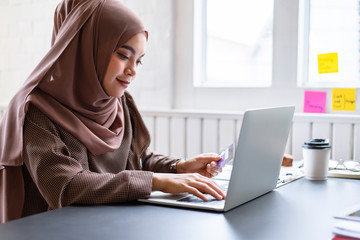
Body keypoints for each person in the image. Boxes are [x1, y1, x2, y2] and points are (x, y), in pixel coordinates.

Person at [0, 0, 226, 223]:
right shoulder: (35, 110)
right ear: (85, 47)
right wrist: (154, 181)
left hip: (111, 224)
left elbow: (136, 157)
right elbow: (66, 186)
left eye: (139, 61)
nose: (132, 70)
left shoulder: (119, 101)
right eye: (123, 55)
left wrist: (178, 167)